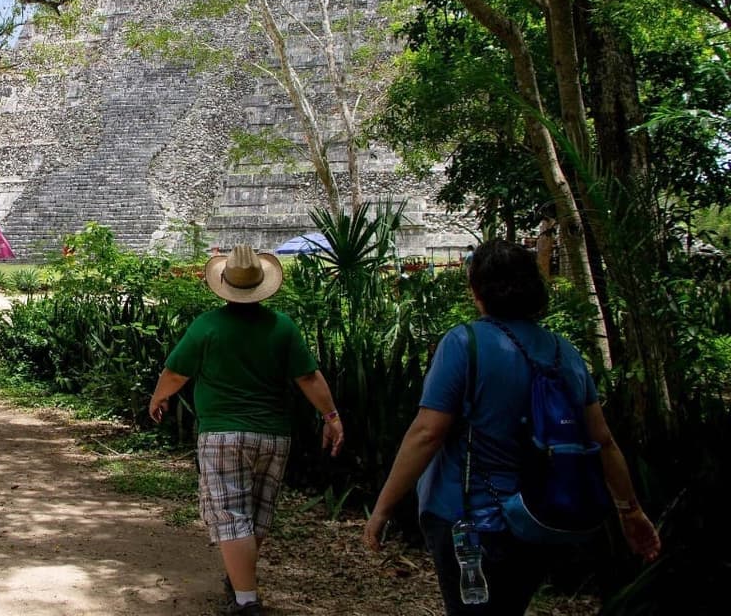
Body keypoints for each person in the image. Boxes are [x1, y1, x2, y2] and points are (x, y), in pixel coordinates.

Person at [363, 239, 660, 615]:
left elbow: (427, 433)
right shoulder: (563, 352)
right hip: (539, 517)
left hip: (467, 518)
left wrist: (382, 509)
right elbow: (602, 440)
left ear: (477, 290)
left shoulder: (463, 343)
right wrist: (630, 511)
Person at [148, 245, 345, 616]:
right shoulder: (281, 327)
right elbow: (308, 376)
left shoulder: (207, 326)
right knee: (254, 514)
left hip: (222, 434)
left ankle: (246, 602)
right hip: (272, 436)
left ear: (223, 283)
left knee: (230, 516)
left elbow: (176, 372)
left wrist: (159, 398)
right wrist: (332, 416)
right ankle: (239, 581)